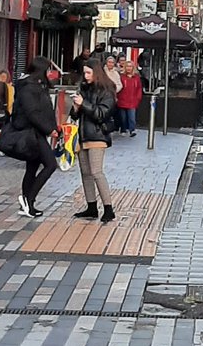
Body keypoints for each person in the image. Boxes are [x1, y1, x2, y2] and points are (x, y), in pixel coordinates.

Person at [11, 57, 59, 218]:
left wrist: (54, 127)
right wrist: (49, 129)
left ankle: (28, 204)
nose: (50, 73)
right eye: (48, 69)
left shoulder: (37, 85)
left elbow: (44, 110)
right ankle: (28, 199)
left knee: (32, 166)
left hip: (38, 131)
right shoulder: (29, 87)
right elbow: (33, 113)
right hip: (33, 132)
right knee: (50, 165)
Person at [70, 58, 117, 223]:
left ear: (97, 73)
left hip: (98, 135)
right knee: (85, 173)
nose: (86, 75)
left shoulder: (107, 91)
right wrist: (75, 108)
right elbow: (75, 115)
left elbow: (102, 114)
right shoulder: (84, 88)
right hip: (83, 135)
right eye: (84, 72)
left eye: (89, 72)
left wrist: (84, 104)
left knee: (96, 172)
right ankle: (91, 206)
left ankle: (108, 208)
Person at [116, 60, 143, 136]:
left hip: (132, 101)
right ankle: (123, 129)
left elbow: (139, 88)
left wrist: (138, 98)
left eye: (130, 66)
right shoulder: (121, 77)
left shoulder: (136, 78)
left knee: (132, 117)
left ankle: (132, 130)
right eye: (127, 66)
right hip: (122, 100)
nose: (129, 68)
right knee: (123, 118)